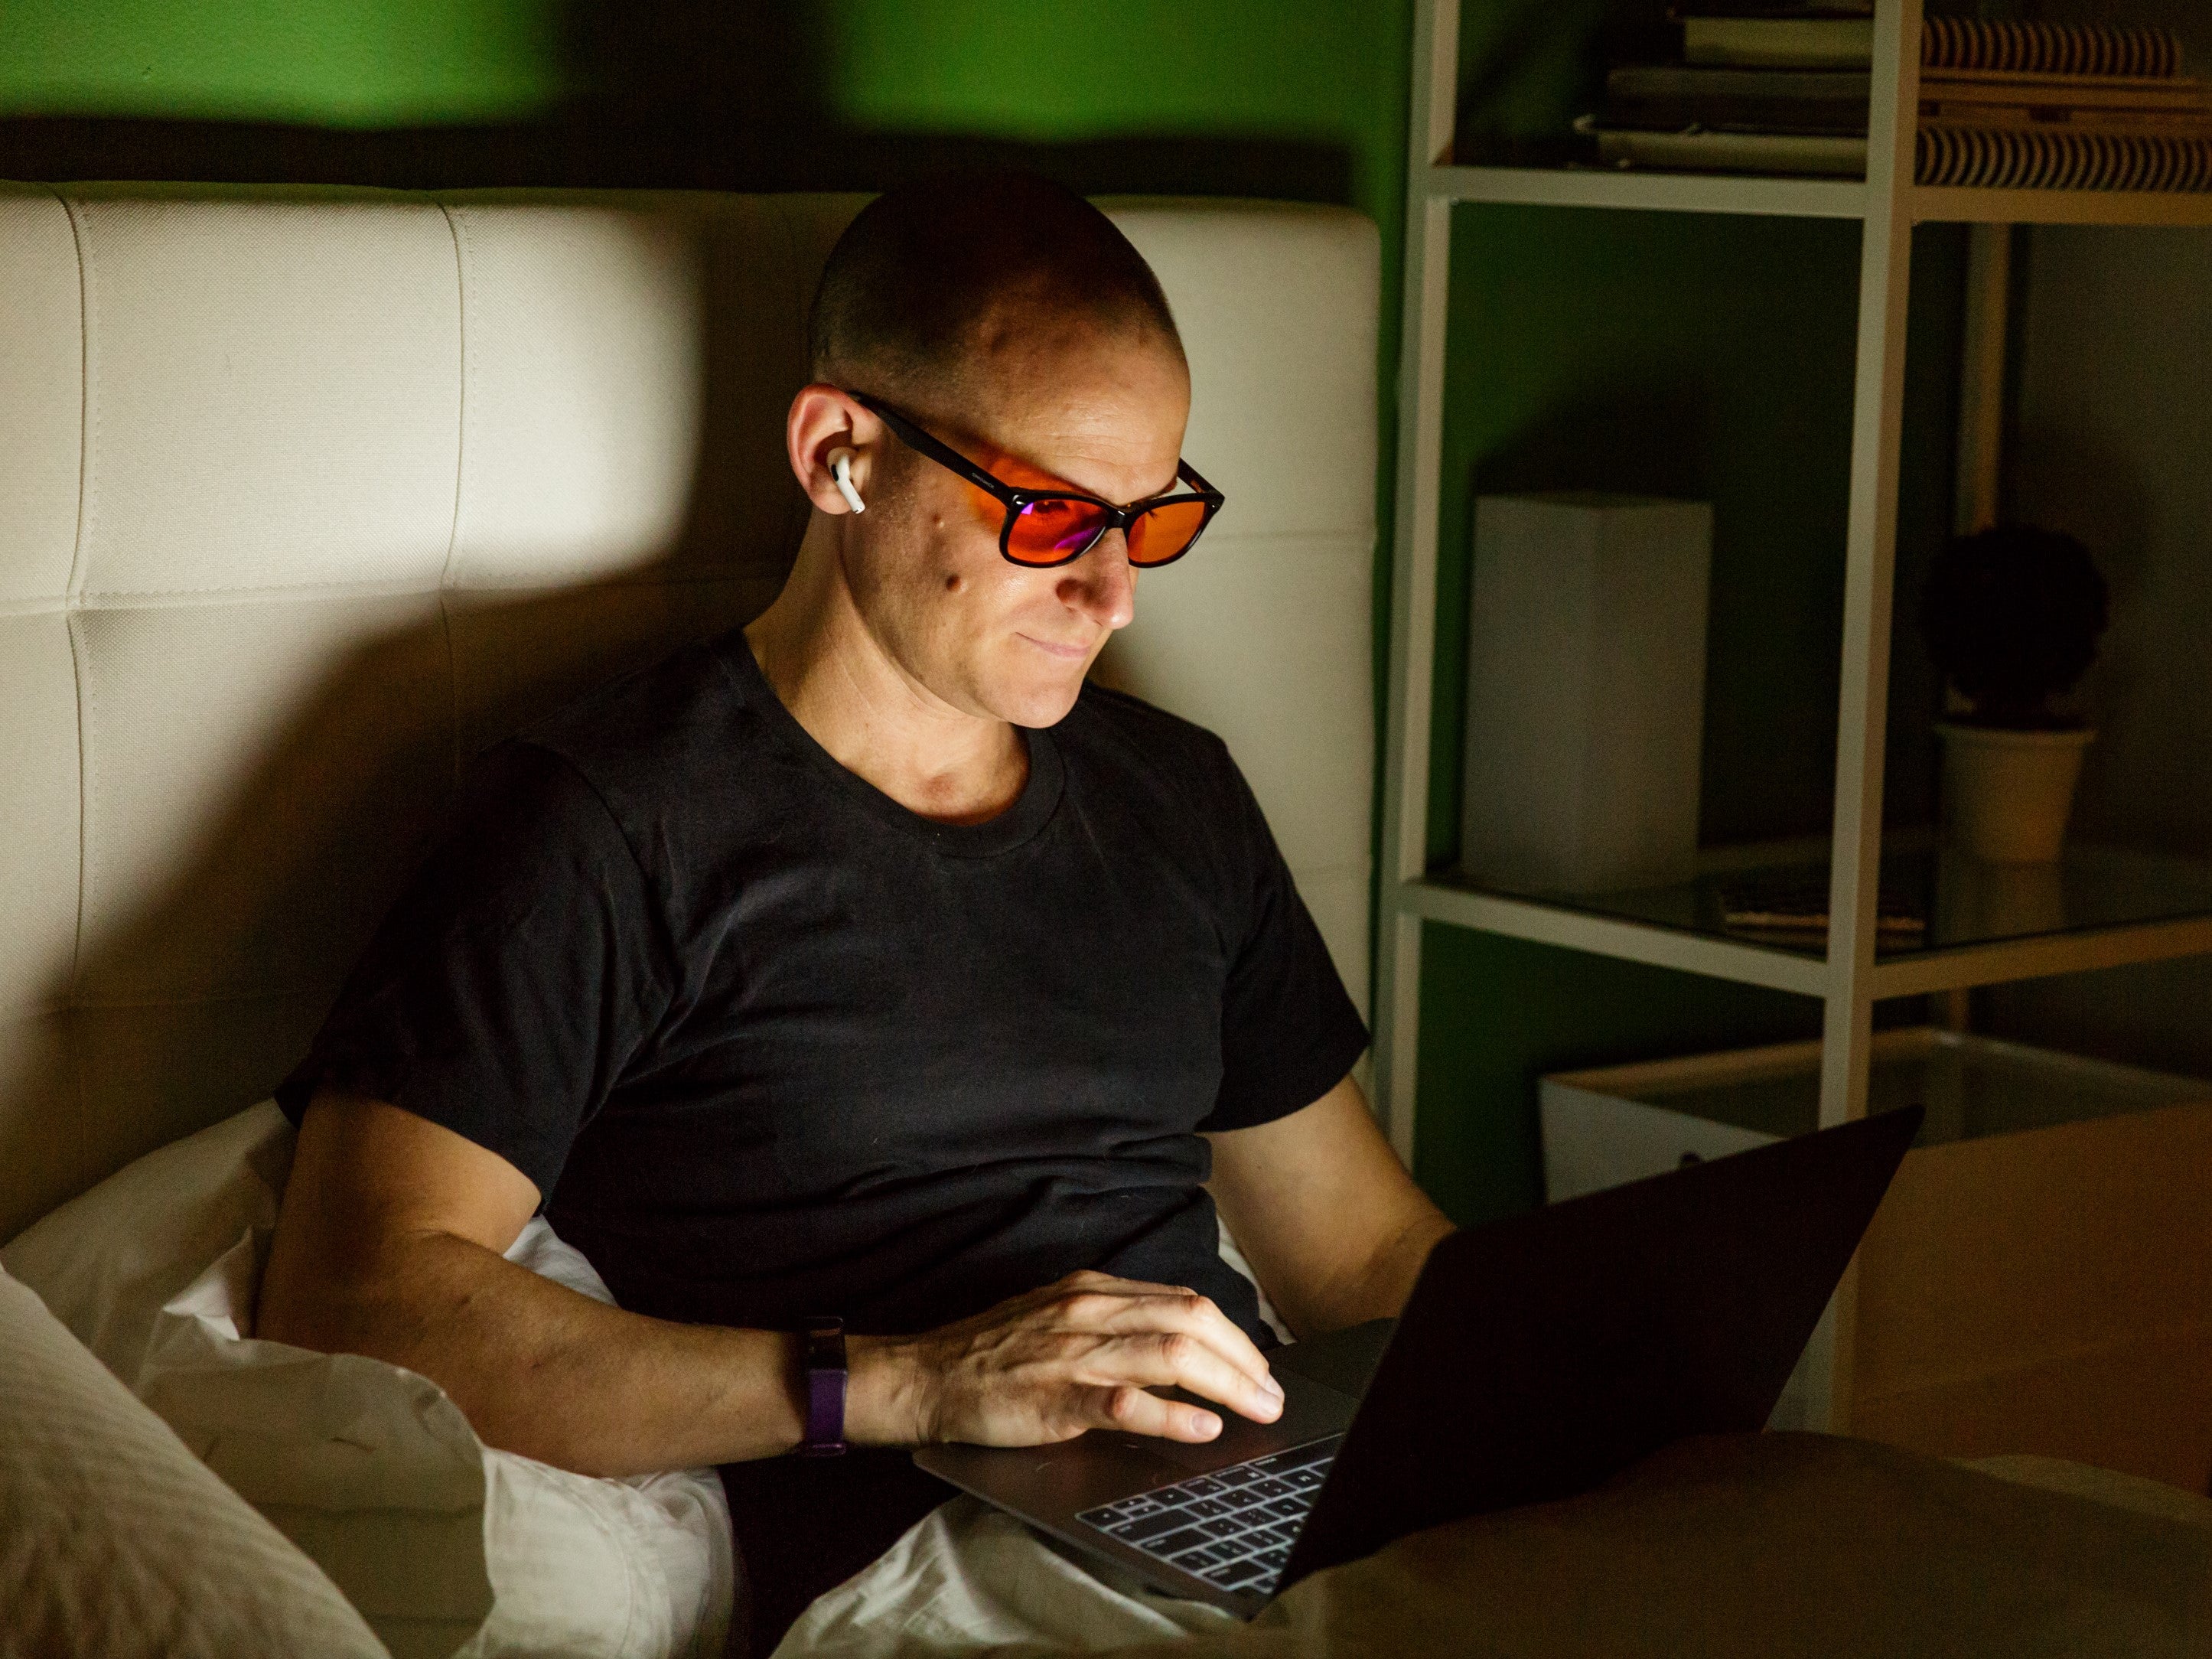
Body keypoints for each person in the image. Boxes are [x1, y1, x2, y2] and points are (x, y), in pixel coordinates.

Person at [258, 171, 1452, 1650]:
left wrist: (1591, 1393)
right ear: (842, 458)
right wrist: (906, 1382)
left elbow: (1358, 1258)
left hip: (1240, 1508)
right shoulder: (603, 823)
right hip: (928, 1564)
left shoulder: (1177, 794)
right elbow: (354, 1297)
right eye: (1052, 515)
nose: (1113, 595)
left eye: (1149, 519)